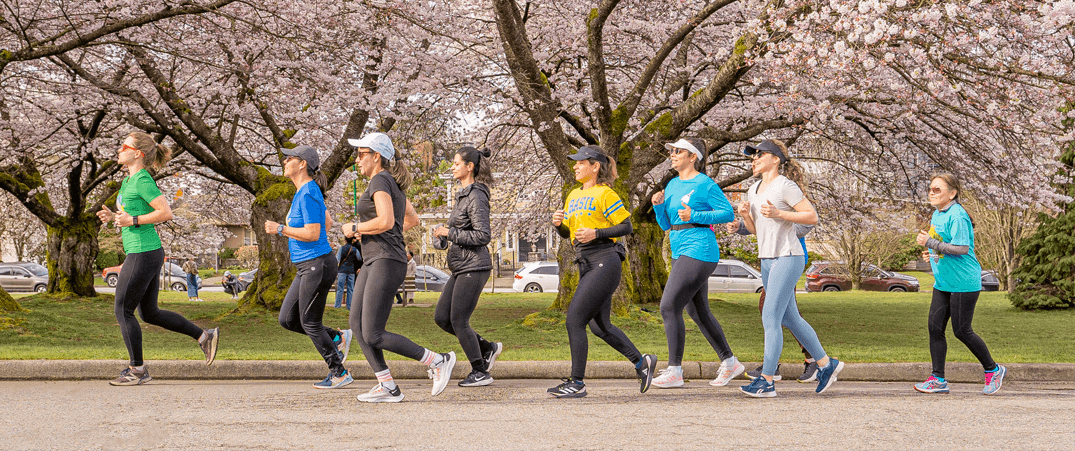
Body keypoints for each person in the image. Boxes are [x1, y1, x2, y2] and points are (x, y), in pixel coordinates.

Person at [95, 132, 218, 386]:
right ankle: (204, 336)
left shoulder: (142, 179)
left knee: (122, 309)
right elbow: (130, 215)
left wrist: (134, 220)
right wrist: (115, 218)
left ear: (137, 153)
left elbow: (165, 212)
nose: (119, 150)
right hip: (142, 251)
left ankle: (137, 370)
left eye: (124, 146)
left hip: (144, 252)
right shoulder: (128, 181)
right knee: (149, 313)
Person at [342, 132, 456, 403]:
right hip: (375, 257)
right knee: (356, 325)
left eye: (361, 154)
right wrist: (372, 234)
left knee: (373, 332)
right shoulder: (390, 183)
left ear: (376, 156)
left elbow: (385, 219)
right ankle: (388, 387)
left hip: (385, 259)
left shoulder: (381, 179)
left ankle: (437, 360)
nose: (357, 160)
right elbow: (411, 219)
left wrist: (358, 228)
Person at [548, 145, 656, 399]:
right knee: (600, 326)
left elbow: (626, 226)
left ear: (595, 166)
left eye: (580, 162)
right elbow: (570, 234)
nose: (575, 166)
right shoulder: (573, 194)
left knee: (574, 320)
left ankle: (577, 382)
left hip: (605, 260)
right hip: (586, 261)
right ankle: (643, 364)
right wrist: (558, 226)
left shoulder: (605, 194)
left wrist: (596, 233)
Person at [737, 139, 843, 397]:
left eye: (759, 154)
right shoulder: (754, 190)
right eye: (753, 156)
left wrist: (780, 214)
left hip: (788, 255)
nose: (754, 159)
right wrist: (745, 216)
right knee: (789, 318)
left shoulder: (785, 186)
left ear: (775, 159)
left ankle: (767, 381)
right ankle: (827, 365)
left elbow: (811, 217)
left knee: (770, 317)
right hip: (767, 258)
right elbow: (756, 231)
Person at [649, 138, 744, 388]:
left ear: (693, 157)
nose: (673, 154)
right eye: (672, 151)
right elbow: (667, 225)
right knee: (697, 311)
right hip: (680, 248)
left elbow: (727, 213)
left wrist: (696, 215)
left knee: (668, 307)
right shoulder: (671, 184)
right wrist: (658, 207)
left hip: (700, 248)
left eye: (679, 151)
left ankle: (675, 371)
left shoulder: (705, 184)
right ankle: (730, 362)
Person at [263, 144, 353, 390]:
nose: (284, 162)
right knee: (288, 319)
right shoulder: (306, 191)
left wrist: (279, 228)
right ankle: (337, 336)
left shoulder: (308, 192)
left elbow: (314, 233)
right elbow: (328, 220)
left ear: (302, 164)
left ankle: (339, 372)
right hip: (308, 266)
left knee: (309, 321)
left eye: (288, 158)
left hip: (317, 264)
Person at [914, 174, 1005, 395]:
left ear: (952, 193)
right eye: (930, 189)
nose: (931, 193)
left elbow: (961, 248)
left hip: (964, 283)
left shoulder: (958, 215)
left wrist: (930, 242)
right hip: (943, 282)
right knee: (935, 328)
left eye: (937, 189)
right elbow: (944, 247)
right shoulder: (938, 214)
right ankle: (938, 379)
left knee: (962, 331)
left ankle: (993, 369)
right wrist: (931, 253)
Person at [432, 146, 505, 388]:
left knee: (459, 320)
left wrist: (450, 232)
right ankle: (487, 348)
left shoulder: (476, 194)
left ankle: (480, 370)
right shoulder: (462, 194)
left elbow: (483, 235)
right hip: (462, 266)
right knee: (442, 318)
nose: (452, 167)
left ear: (469, 166)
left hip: (474, 266)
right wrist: (443, 236)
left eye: (456, 163)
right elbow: (462, 231)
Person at [730, 214, 819, 382]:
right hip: (773, 259)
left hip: (788, 259)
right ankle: (816, 361)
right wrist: (740, 226)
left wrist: (784, 230)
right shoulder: (765, 193)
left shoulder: (787, 196)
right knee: (785, 313)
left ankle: (776, 367)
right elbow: (763, 226)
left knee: (772, 310)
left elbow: (805, 222)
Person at [335, 235, 362, 309]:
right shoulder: (354, 249)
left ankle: (337, 306)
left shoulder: (341, 248)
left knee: (340, 288)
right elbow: (359, 258)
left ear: (345, 240)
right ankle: (349, 306)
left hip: (342, 270)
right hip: (351, 271)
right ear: (352, 240)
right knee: (350, 289)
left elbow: (337, 259)